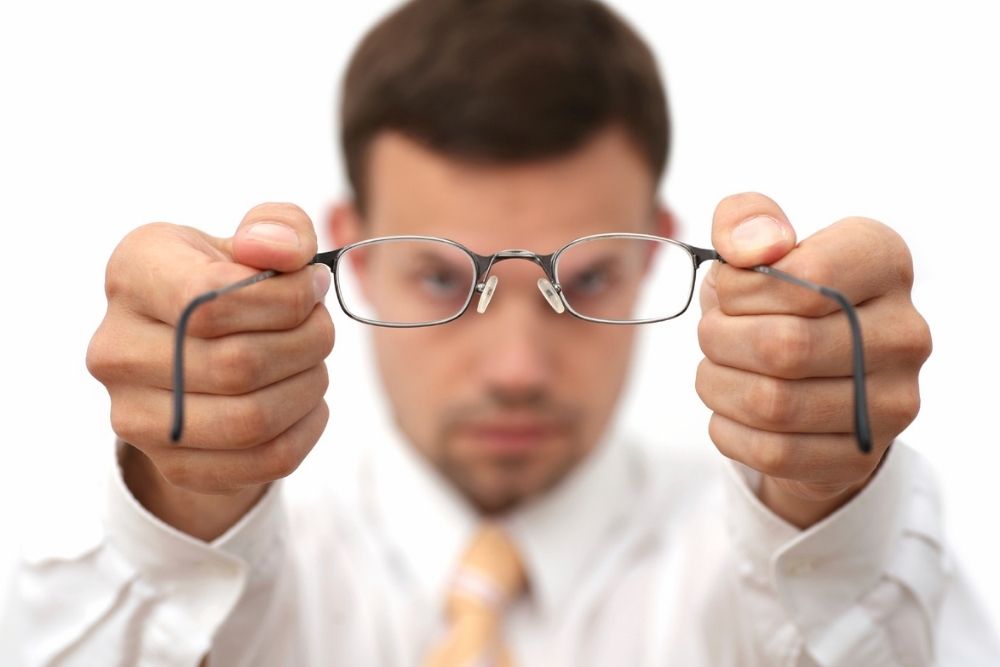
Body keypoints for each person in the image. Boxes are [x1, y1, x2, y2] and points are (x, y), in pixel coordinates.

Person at [2, 0, 998, 665]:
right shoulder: (247, 560)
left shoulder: (776, 554)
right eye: (441, 276)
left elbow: (867, 614)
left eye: (587, 276)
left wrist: (829, 498)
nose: (517, 368)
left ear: (658, 248)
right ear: (347, 250)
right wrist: (181, 497)